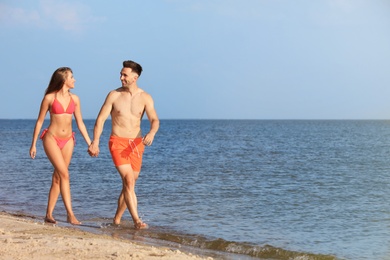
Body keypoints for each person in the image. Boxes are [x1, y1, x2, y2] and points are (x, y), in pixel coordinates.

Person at [88, 60, 159, 229]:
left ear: (135, 77)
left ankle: (117, 220)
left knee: (129, 184)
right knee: (128, 181)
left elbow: (155, 120)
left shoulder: (145, 97)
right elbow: (101, 119)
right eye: (121, 74)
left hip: (136, 145)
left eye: (124, 75)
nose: (121, 78)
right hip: (117, 142)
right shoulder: (114, 95)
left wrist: (151, 133)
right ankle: (137, 221)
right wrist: (95, 142)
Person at [30, 67, 92, 225]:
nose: (74, 80)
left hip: (69, 140)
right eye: (72, 77)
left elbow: (80, 123)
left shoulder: (75, 99)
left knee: (58, 176)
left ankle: (48, 214)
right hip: (51, 138)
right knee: (65, 175)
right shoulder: (49, 98)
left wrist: (90, 143)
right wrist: (34, 144)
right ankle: (70, 214)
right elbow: (39, 121)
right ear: (64, 80)